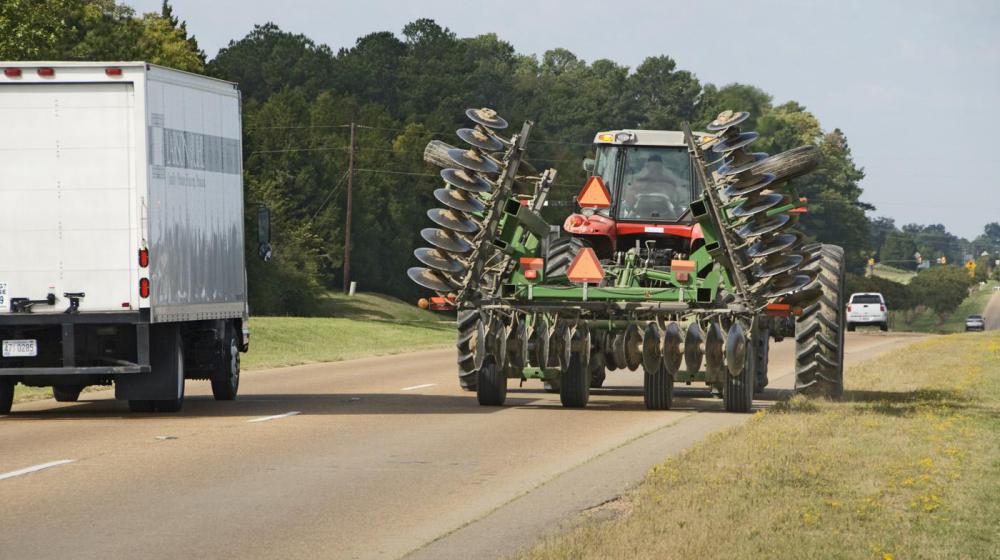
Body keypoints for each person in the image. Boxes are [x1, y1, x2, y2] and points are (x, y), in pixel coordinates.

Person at [622, 153, 688, 219]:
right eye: (652, 167)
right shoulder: (639, 182)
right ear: (648, 167)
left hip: (668, 218)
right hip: (640, 217)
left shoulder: (670, 183)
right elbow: (629, 201)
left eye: (657, 167)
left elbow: (678, 202)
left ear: (661, 167)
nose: (655, 170)